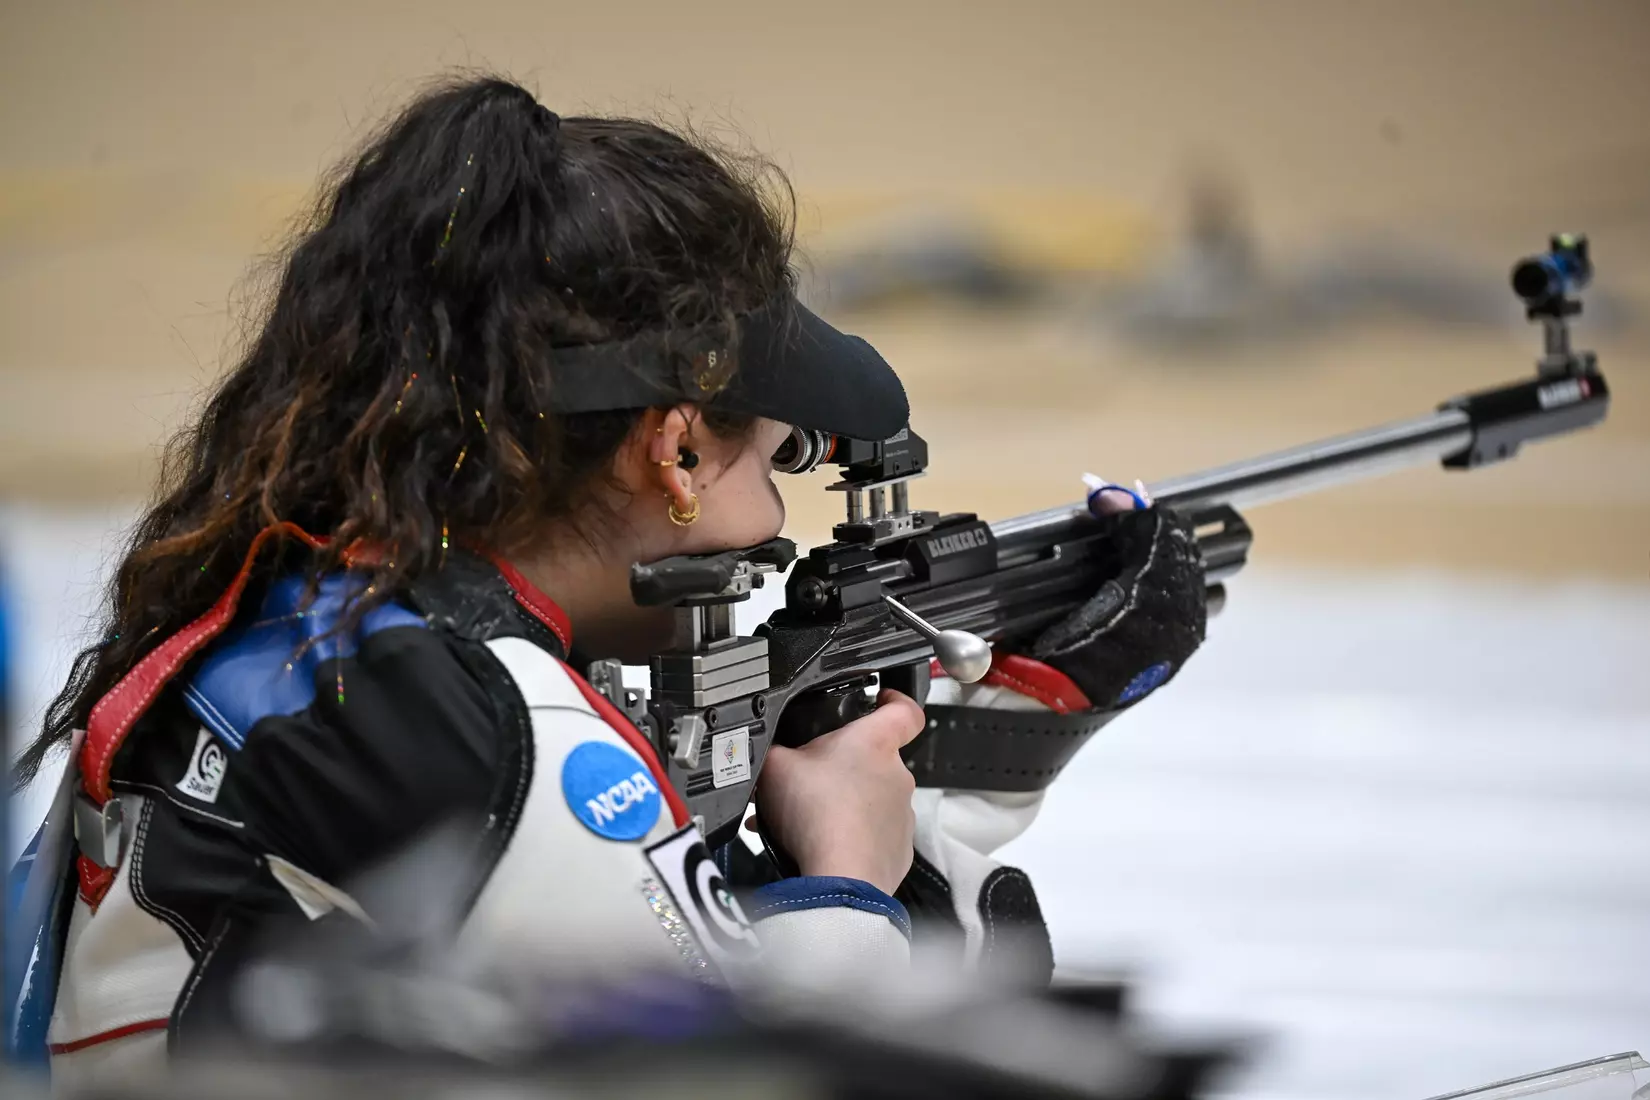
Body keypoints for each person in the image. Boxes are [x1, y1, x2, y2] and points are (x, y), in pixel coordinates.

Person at [5, 75, 1205, 1084]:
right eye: (775, 461)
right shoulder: (504, 727)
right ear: (676, 451)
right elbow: (777, 1066)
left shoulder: (313, 612)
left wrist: (984, 744)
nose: (776, 520)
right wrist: (848, 875)